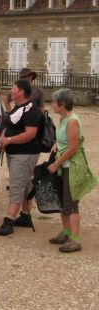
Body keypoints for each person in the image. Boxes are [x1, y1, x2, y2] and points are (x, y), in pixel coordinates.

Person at [47, 89, 97, 253]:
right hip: (65, 166)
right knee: (64, 202)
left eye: (54, 102)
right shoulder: (64, 119)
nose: (52, 105)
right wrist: (56, 145)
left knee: (71, 203)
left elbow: (73, 147)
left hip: (72, 167)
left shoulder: (72, 121)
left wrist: (56, 163)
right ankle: (67, 232)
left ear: (62, 104)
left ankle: (75, 239)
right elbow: (64, 141)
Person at [0, 80, 43, 236]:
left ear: (21, 92)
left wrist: (8, 140)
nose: (11, 90)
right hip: (15, 153)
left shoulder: (32, 111)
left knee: (16, 184)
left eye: (13, 88)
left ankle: (9, 220)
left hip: (25, 153)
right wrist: (2, 137)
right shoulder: (19, 108)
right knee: (24, 182)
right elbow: (9, 125)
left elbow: (30, 134)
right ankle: (25, 216)